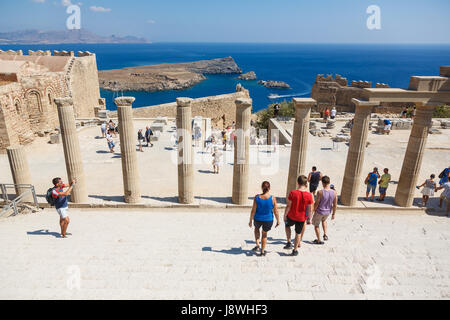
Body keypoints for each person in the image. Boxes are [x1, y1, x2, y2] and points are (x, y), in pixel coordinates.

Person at [284, 175, 314, 256]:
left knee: (287, 226)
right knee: (298, 233)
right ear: (306, 184)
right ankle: (295, 250)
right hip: (301, 218)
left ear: (298, 183)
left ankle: (289, 242)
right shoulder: (309, 195)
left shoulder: (293, 193)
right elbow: (310, 208)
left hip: (291, 215)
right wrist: (308, 219)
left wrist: (285, 215)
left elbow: (288, 206)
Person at [248, 181, 280, 257]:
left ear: (262, 188)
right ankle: (262, 251)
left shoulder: (257, 197)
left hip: (257, 218)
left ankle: (257, 245)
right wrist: (278, 220)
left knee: (256, 229)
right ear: (269, 188)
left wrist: (250, 220)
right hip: (268, 219)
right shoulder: (273, 198)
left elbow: (253, 210)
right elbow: (276, 211)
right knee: (264, 234)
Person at [312, 176, 337, 244]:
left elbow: (317, 203)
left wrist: (313, 210)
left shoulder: (320, 192)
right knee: (324, 220)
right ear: (329, 182)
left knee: (316, 225)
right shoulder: (334, 192)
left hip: (319, 211)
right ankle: (325, 234)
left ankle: (319, 240)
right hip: (328, 211)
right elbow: (335, 205)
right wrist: (333, 214)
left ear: (322, 183)